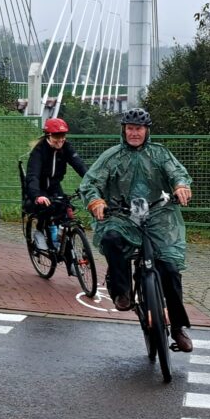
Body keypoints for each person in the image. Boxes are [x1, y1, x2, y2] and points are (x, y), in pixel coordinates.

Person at [78, 108, 195, 352]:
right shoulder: (112, 156)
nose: (134, 133)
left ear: (147, 130)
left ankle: (177, 328)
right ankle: (123, 292)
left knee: (170, 271)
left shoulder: (160, 153)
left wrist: (181, 186)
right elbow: (91, 182)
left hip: (159, 216)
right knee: (111, 239)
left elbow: (177, 172)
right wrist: (96, 201)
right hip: (122, 216)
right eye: (130, 128)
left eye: (138, 128)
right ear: (123, 130)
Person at [25, 117, 88, 255]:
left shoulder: (66, 147)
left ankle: (66, 251)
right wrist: (37, 195)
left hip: (54, 186)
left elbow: (80, 165)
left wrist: (92, 181)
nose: (60, 140)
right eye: (56, 136)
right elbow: (32, 176)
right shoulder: (39, 151)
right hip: (38, 188)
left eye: (63, 136)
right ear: (48, 135)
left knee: (65, 209)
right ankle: (40, 232)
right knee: (46, 207)